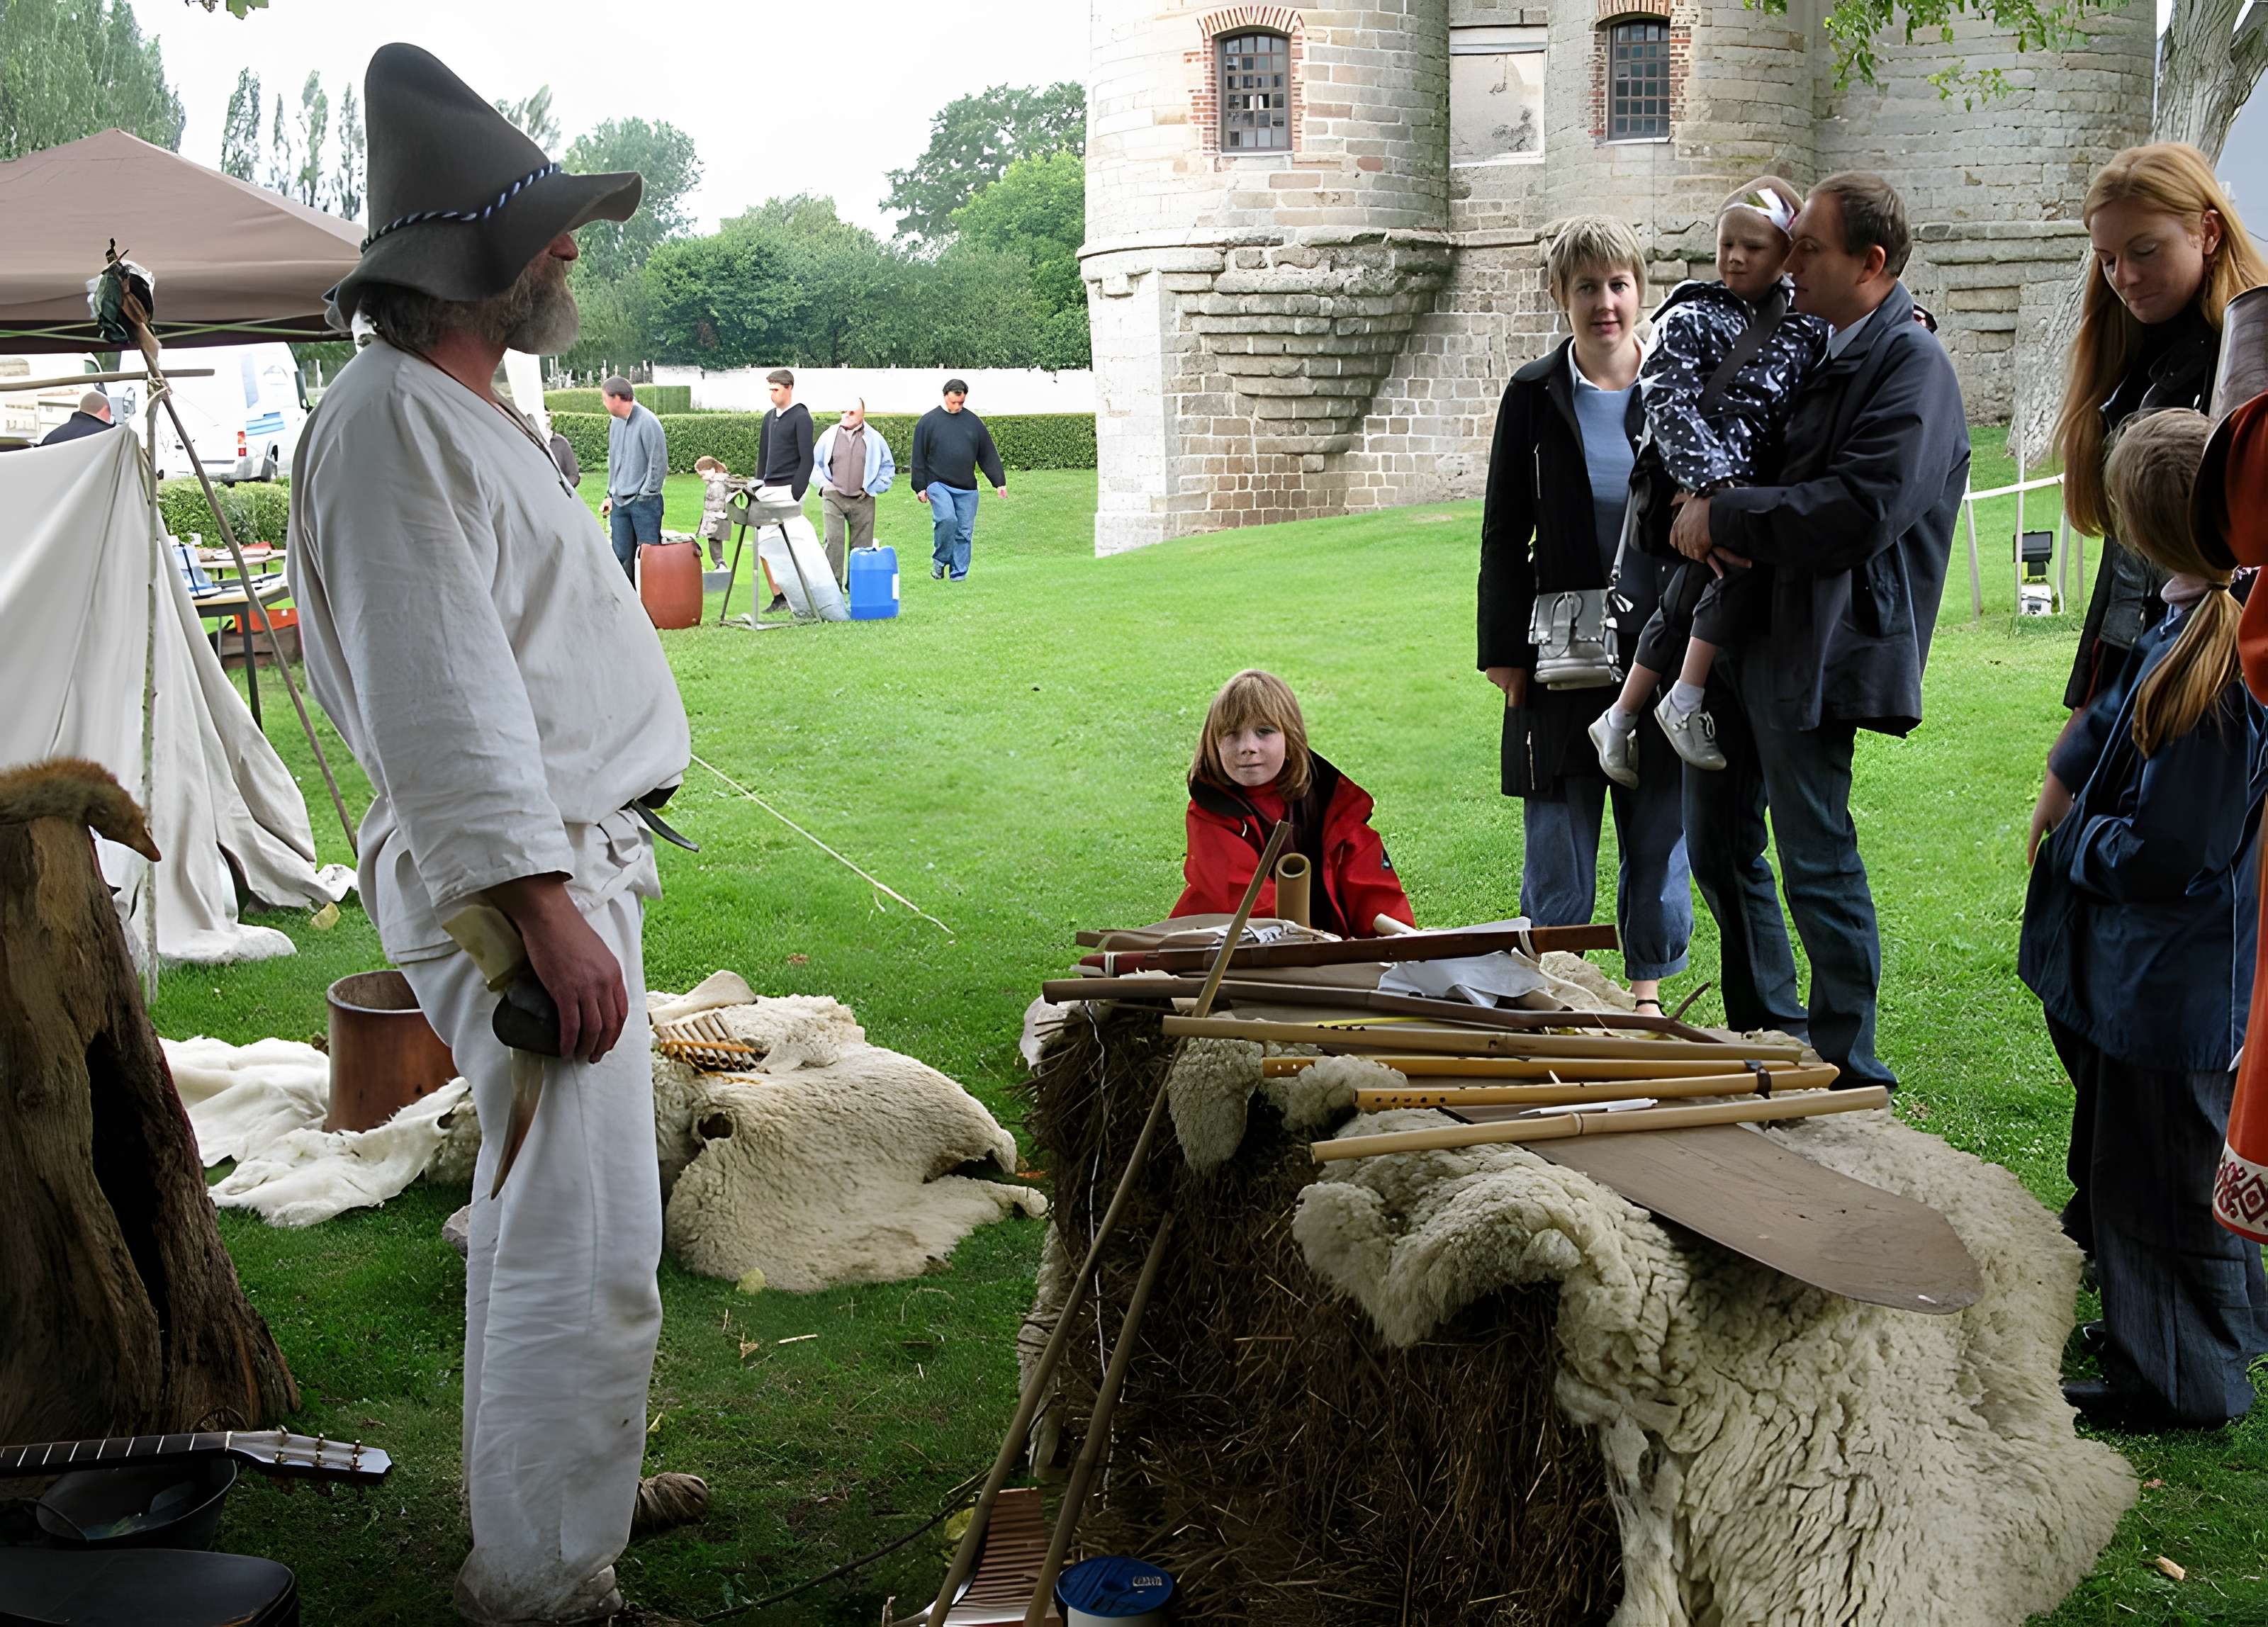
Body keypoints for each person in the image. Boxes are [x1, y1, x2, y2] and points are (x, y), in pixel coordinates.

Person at [288, 43, 698, 1623]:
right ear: (466, 264)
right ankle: (539, 1583)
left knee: (586, 1216)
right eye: (543, 231)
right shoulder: (390, 422)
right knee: (568, 1231)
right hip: (524, 873)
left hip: (565, 856)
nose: (571, 251)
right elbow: (440, 693)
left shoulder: (457, 406)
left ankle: (565, 1504)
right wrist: (542, 907)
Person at [1669, 173, 1968, 1090]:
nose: (1789, 263)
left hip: (1821, 642)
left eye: (1811, 250)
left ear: (1871, 264)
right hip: (1744, 630)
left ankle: (1848, 1063)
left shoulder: (1912, 367)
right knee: (1718, 848)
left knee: (1814, 855)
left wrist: (1726, 516)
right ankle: (1770, 1027)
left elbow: (1858, 511)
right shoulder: (1815, 342)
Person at [2019, 407, 2268, 1430]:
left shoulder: (2214, 673)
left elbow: (2173, 851)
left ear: (2136, 529)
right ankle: (2189, 1335)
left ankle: (2180, 1381)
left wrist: (2073, 842)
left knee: (2163, 1187)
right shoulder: (2194, 623)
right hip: (2157, 975)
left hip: (2173, 979)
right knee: (2161, 1172)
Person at [1477, 215, 1692, 1014]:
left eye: (1616, 285)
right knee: (1558, 829)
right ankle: (1563, 985)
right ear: (1557, 295)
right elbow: (1503, 529)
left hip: (1660, 639)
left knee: (1656, 823)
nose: (1604, 303)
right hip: (1556, 646)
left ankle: (1642, 994)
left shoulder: (1675, 385)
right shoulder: (1532, 394)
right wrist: (1502, 650)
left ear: (1638, 290)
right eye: (1585, 287)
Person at [1590, 179, 1829, 785]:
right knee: (1726, 572)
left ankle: (1624, 716)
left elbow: (1860, 327)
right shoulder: (1691, 315)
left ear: (1786, 254)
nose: (1736, 257)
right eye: (1727, 244)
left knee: (1690, 599)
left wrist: (1907, 313)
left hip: (1752, 488)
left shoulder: (1807, 323)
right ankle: (1680, 698)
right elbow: (1666, 400)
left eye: (1754, 246)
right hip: (1700, 487)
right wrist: (1712, 487)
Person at [2052, 144, 2264, 715]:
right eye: (2108, 259)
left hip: (2232, 669)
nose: (2126, 277)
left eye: (2146, 250)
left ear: (2208, 232)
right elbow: (2125, 570)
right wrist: (2087, 720)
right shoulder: (2124, 359)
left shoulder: (2251, 361)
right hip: (2143, 656)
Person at [1172, 668, 1414, 936]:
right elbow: (1243, 898)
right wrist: (1308, 941)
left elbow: (1372, 887)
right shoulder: (1210, 812)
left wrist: (1398, 945)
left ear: (1291, 736)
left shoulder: (1333, 803)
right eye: (1232, 734)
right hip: (1234, 947)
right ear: (1213, 744)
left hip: (1324, 948)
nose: (1247, 746)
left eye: (1264, 731)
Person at [912, 378, 1006, 581]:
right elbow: (918, 456)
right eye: (954, 402)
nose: (957, 406)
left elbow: (987, 453)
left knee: (964, 532)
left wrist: (999, 481)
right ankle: (939, 561)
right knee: (947, 520)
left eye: (961, 403)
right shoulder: (928, 422)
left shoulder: (973, 423)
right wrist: (919, 487)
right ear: (945, 396)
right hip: (938, 483)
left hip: (967, 488)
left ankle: (958, 575)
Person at [812, 399, 896, 584]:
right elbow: (814, 464)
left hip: (863, 499)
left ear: (862, 414)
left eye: (851, 413)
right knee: (833, 541)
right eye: (843, 412)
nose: (846, 416)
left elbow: (888, 467)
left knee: (862, 547)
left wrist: (874, 487)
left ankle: (857, 587)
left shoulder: (875, 438)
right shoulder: (829, 435)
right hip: (833, 497)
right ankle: (832, 586)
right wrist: (824, 485)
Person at [600, 374, 666, 583]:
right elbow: (615, 461)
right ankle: (627, 611)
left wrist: (646, 494)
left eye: (605, 399)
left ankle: (652, 611)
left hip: (644, 504)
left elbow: (658, 463)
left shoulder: (648, 422)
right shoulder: (615, 423)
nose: (604, 403)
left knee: (648, 560)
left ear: (617, 398)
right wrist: (610, 494)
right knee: (621, 559)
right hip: (619, 505)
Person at [693, 454, 741, 569]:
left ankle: (720, 565)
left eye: (704, 475)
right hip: (712, 518)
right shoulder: (715, 482)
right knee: (713, 542)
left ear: (712, 470)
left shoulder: (723, 481)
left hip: (718, 518)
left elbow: (739, 486)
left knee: (714, 542)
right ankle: (719, 565)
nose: (703, 478)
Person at [40, 389, 114, 445]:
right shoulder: (107, 436)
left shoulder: (51, 437)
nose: (110, 419)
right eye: (110, 415)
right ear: (105, 410)